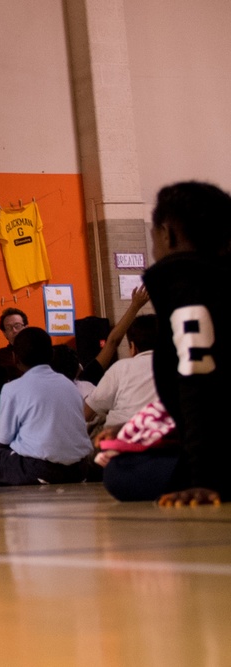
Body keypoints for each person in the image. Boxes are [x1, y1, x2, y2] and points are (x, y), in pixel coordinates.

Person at [101, 181, 230, 507]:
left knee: (120, 473)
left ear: (167, 234)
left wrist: (202, 479)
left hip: (216, 457)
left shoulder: (186, 284)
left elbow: (196, 380)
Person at [0, 327, 92, 487]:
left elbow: (3, 440)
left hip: (38, 470)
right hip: (79, 470)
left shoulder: (13, 388)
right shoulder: (70, 386)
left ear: (15, 358)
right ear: (51, 354)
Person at [83, 315, 158, 430]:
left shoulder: (121, 368)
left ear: (132, 347)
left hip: (121, 440)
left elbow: (86, 413)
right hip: (170, 442)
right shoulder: (185, 369)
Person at [78, 285, 151, 384]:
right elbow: (112, 342)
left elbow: (113, 342)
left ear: (133, 348)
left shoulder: (121, 371)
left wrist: (135, 306)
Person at [0, 307, 27, 380]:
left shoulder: (39, 354)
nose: (14, 330)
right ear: (4, 333)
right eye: (9, 328)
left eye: (17, 326)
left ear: (26, 328)